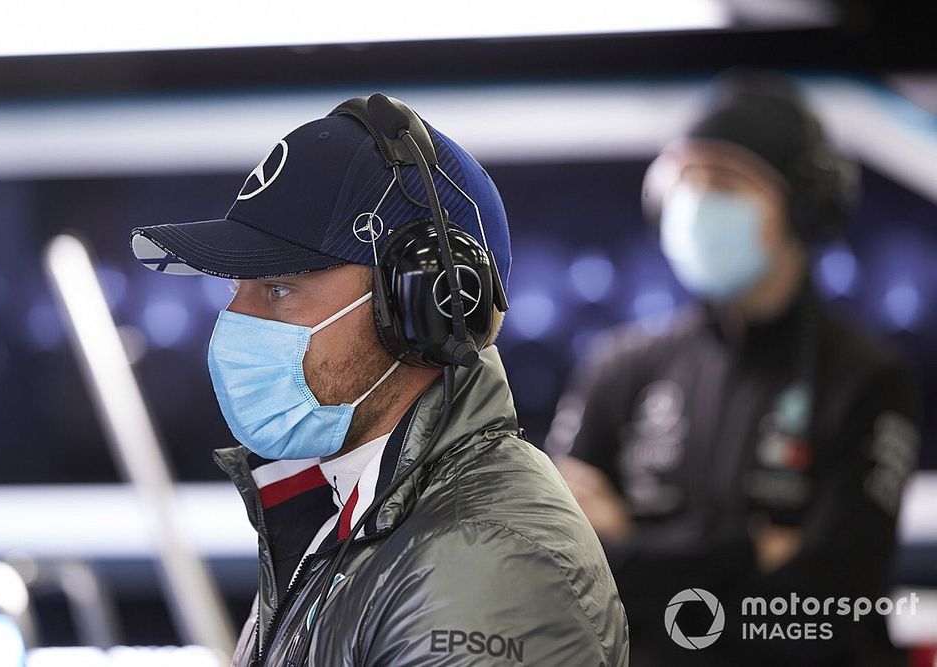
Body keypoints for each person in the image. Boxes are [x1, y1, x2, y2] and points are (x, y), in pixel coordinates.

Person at [131, 94, 628, 666]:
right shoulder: (347, 518)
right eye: (233, 290)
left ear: (424, 305)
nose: (235, 324)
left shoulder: (483, 561)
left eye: (278, 289)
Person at [547, 74, 919, 666]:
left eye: (724, 182)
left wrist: (631, 548)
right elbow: (558, 572)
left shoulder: (866, 379)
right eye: (685, 181)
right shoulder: (622, 366)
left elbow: (827, 605)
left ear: (801, 207)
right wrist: (751, 553)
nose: (696, 204)